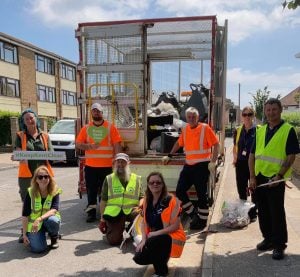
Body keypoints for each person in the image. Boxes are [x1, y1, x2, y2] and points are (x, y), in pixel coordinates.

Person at [249, 98, 300, 260]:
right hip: (259, 178)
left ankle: (279, 245)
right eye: (268, 110)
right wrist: (251, 177)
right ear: (265, 111)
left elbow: (291, 155)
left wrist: (279, 175)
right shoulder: (260, 131)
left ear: (280, 111)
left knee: (276, 212)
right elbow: (252, 155)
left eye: (274, 110)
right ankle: (268, 239)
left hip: (275, 180)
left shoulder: (288, 130)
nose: (271, 113)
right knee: (263, 211)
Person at [162, 106, 219, 230]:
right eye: (189, 117)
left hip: (202, 166)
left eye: (194, 116)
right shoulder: (185, 129)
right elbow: (178, 143)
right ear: (186, 118)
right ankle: (194, 214)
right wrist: (170, 155)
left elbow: (216, 144)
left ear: (198, 117)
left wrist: (213, 162)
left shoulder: (205, 128)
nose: (191, 118)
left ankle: (202, 221)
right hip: (189, 166)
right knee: (180, 191)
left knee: (201, 195)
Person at [133, 172, 186, 277]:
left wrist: (156, 233)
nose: (155, 184)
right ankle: (160, 258)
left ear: (163, 185)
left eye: (158, 182)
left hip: (171, 237)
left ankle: (161, 272)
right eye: (152, 182)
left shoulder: (171, 200)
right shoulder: (146, 201)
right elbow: (144, 223)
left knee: (154, 241)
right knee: (138, 258)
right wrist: (143, 240)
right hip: (155, 238)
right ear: (148, 185)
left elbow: (175, 226)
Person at [76, 103, 122, 222]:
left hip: (107, 166)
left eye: (98, 111)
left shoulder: (110, 127)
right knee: (91, 190)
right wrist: (89, 146)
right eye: (94, 111)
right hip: (91, 166)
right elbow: (78, 144)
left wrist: (118, 159)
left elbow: (117, 144)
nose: (96, 113)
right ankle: (91, 212)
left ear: (102, 112)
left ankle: (104, 212)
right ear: (91, 113)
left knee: (105, 190)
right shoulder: (86, 128)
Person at [14, 108, 54, 242]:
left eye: (31, 118)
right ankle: (24, 231)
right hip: (26, 176)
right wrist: (18, 156)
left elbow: (51, 154)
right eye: (26, 119)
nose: (30, 120)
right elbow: (18, 153)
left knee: (44, 202)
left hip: (43, 176)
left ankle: (47, 228)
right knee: (27, 204)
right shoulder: (20, 136)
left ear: (36, 119)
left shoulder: (45, 136)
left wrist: (57, 157)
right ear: (23, 122)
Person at [98, 153, 144, 246]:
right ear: (114, 163)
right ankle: (116, 228)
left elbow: (142, 197)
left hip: (132, 210)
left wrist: (141, 206)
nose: (120, 164)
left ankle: (132, 229)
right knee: (114, 241)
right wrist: (102, 220)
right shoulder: (109, 179)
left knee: (143, 214)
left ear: (128, 163)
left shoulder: (136, 179)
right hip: (115, 213)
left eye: (123, 162)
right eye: (118, 162)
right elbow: (103, 201)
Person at [22, 165, 62, 253]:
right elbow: (25, 215)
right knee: (39, 249)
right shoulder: (30, 192)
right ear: (36, 180)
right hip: (34, 225)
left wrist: (39, 219)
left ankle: (54, 237)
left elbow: (54, 209)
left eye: (46, 176)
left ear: (49, 178)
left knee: (53, 221)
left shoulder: (55, 190)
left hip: (47, 221)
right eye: (40, 177)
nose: (43, 179)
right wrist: (24, 234)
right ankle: (30, 235)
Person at [233, 106, 258, 221]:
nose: (247, 117)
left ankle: (253, 213)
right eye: (244, 114)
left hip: (254, 164)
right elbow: (235, 146)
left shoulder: (259, 130)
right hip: (241, 164)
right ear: (242, 116)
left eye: (249, 114)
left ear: (253, 115)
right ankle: (244, 212)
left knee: (254, 190)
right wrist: (235, 159)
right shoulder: (238, 130)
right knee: (241, 189)